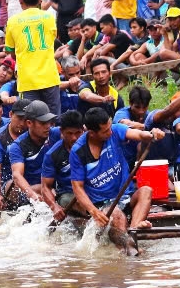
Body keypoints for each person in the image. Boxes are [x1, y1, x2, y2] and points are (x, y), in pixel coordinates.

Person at [69, 107, 163, 254]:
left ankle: (133, 231)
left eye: (109, 127)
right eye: (105, 131)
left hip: (125, 196)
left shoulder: (115, 130)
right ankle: (129, 247)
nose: (110, 132)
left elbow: (138, 134)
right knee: (117, 214)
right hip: (102, 204)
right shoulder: (78, 151)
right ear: (92, 133)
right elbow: (77, 187)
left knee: (146, 191)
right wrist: (94, 212)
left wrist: (151, 134)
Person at [6, 0, 60, 115]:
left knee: (31, 119)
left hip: (27, 79)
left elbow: (10, 51)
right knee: (54, 117)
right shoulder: (49, 17)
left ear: (20, 0)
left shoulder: (12, 21)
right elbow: (53, 38)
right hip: (49, 76)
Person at [6, 100, 61, 205]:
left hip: (52, 185)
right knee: (10, 186)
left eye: (49, 122)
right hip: (31, 188)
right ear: (29, 123)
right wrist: (33, 196)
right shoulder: (18, 146)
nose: (48, 126)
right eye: (43, 123)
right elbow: (17, 175)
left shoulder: (56, 133)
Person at [40, 110, 83, 221]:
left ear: (83, 130)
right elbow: (45, 187)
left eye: (78, 133)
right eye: (69, 133)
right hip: (69, 195)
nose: (74, 138)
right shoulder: (52, 155)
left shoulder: (91, 144)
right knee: (74, 201)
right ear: (61, 132)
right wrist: (54, 207)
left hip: (92, 190)